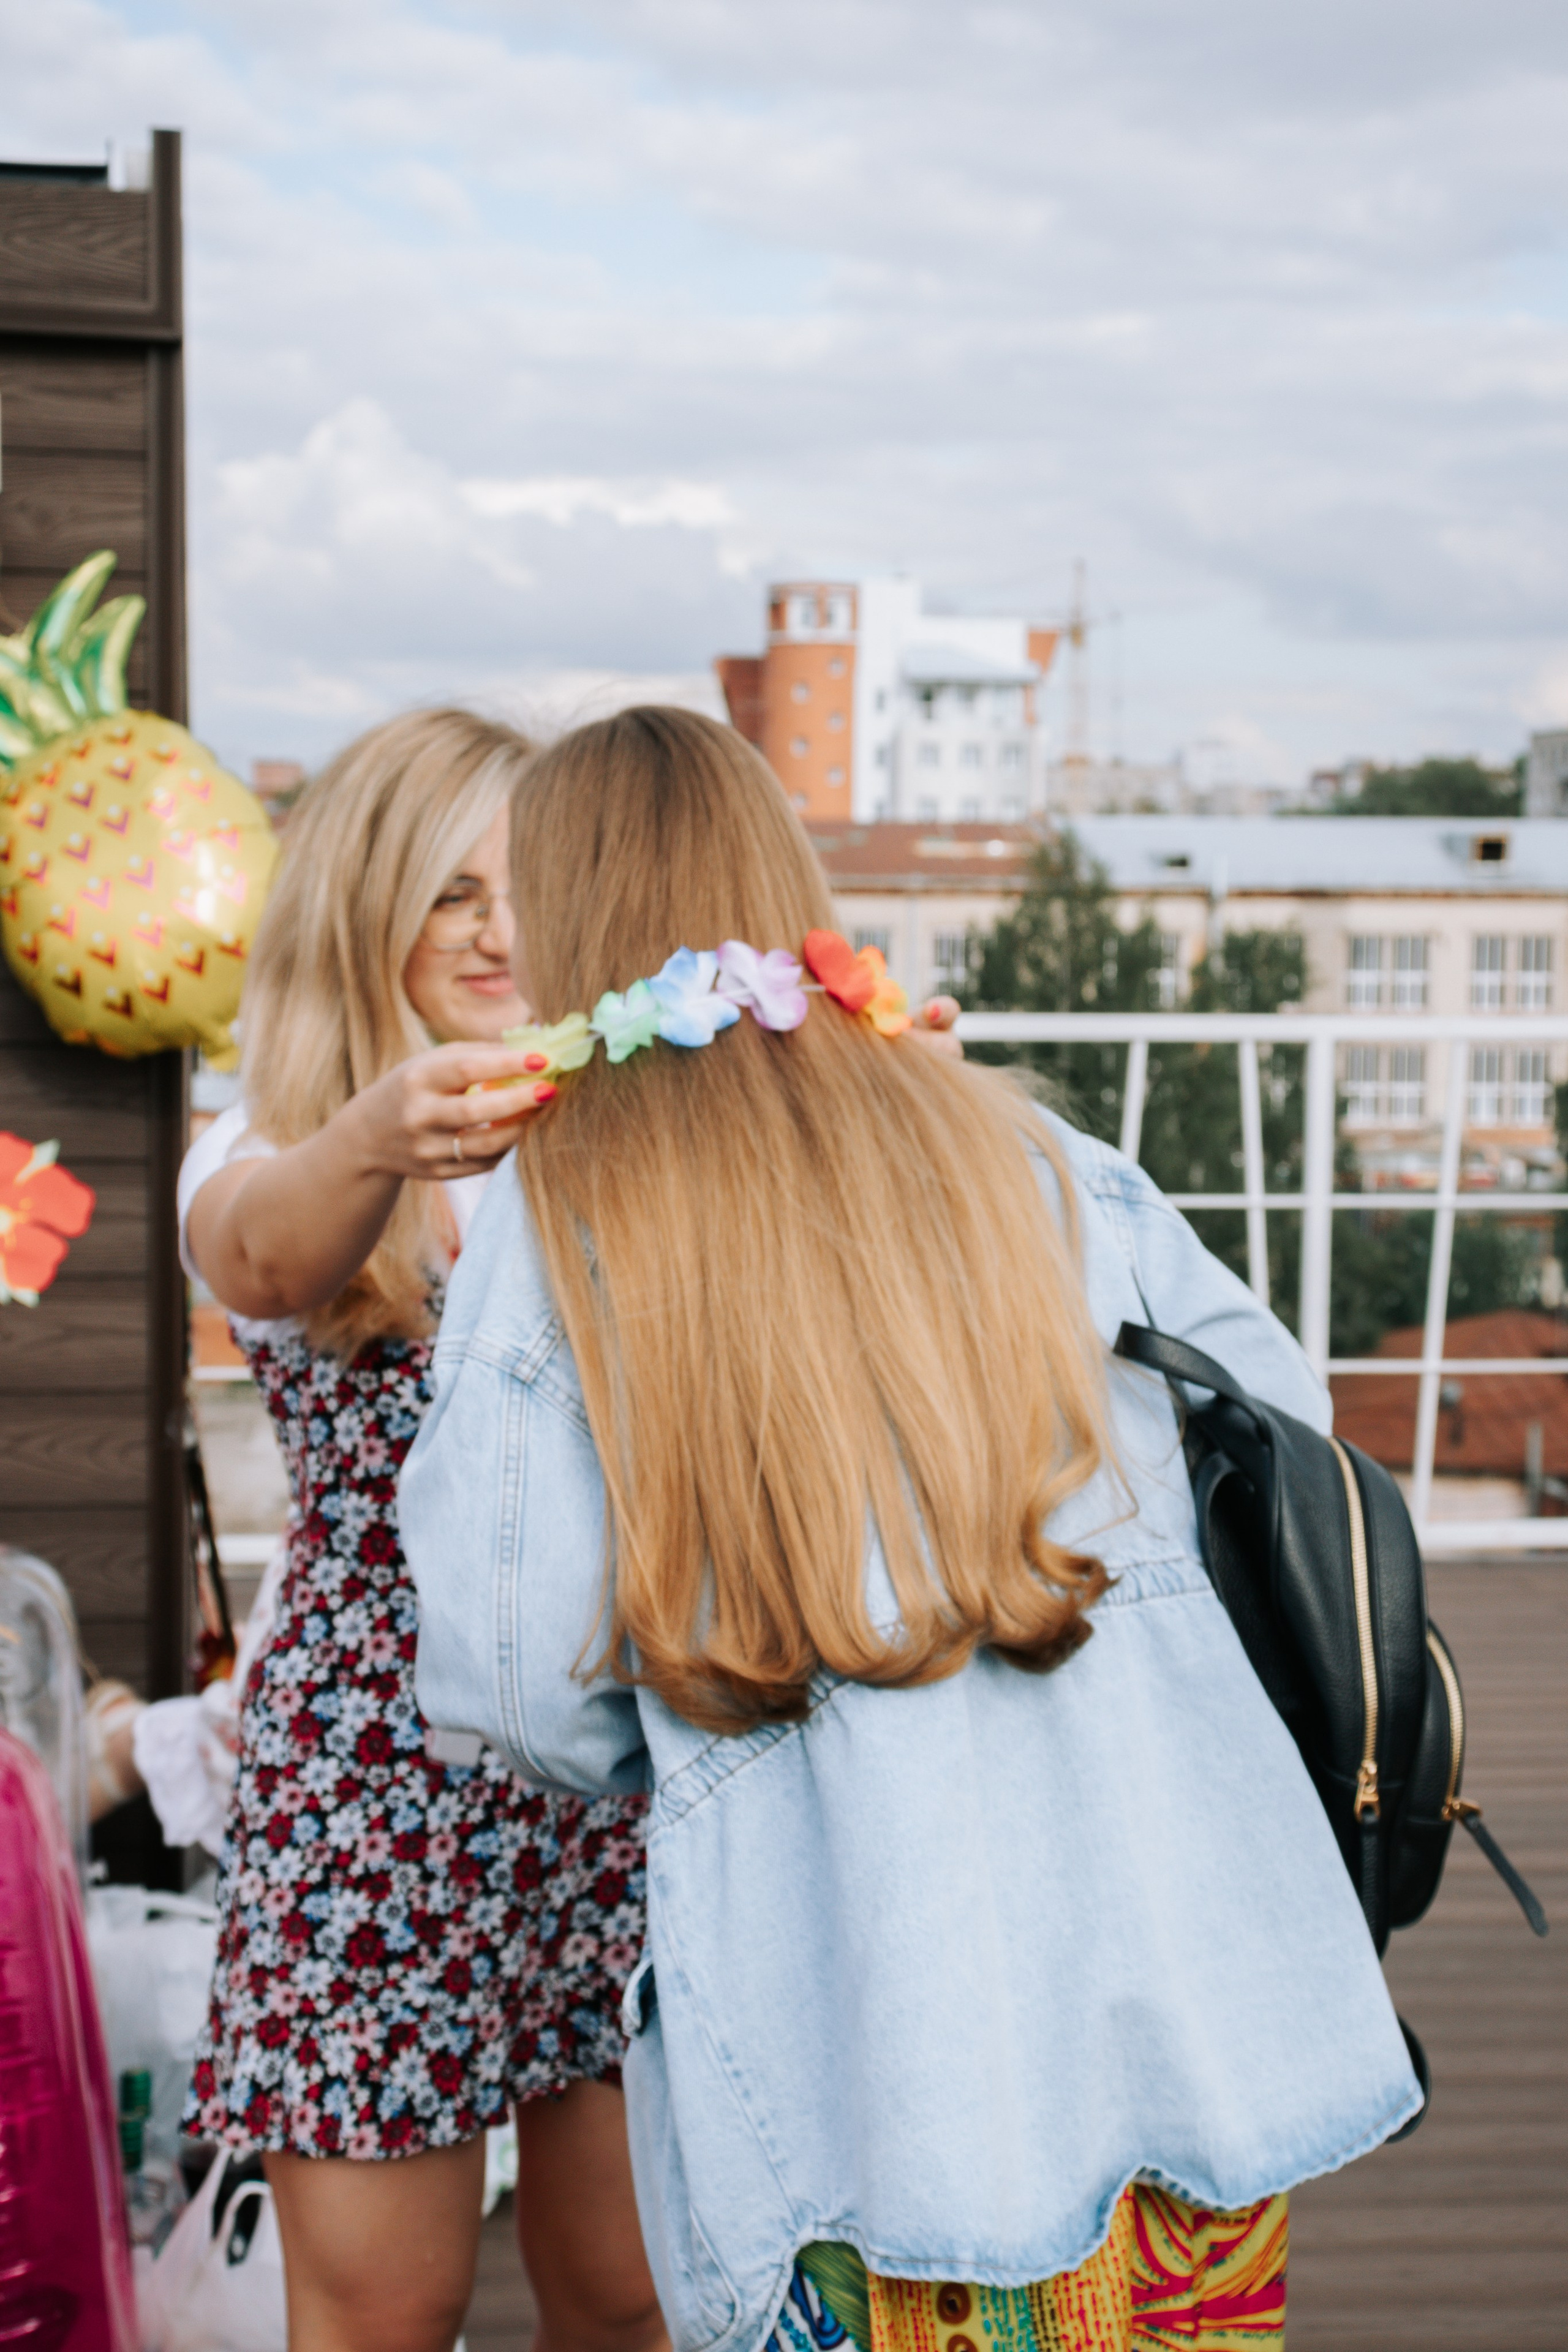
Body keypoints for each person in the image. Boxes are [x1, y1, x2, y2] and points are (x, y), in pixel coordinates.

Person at [402, 706, 1422, 2352]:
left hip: (865, 2071)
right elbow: (1285, 1442)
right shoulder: (1025, 1148)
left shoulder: (559, 1215)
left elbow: (510, 1691)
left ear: (579, 917)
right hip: (1179, 1989)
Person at [176, 709, 663, 2352]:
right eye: (450, 890)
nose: (499, 931)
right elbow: (258, 1260)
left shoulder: (629, 1132)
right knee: (391, 2314)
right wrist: (384, 1133)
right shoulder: (266, 1149)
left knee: (634, 2298)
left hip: (618, 1776)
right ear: (366, 899)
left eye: (528, 886)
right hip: (375, 1800)